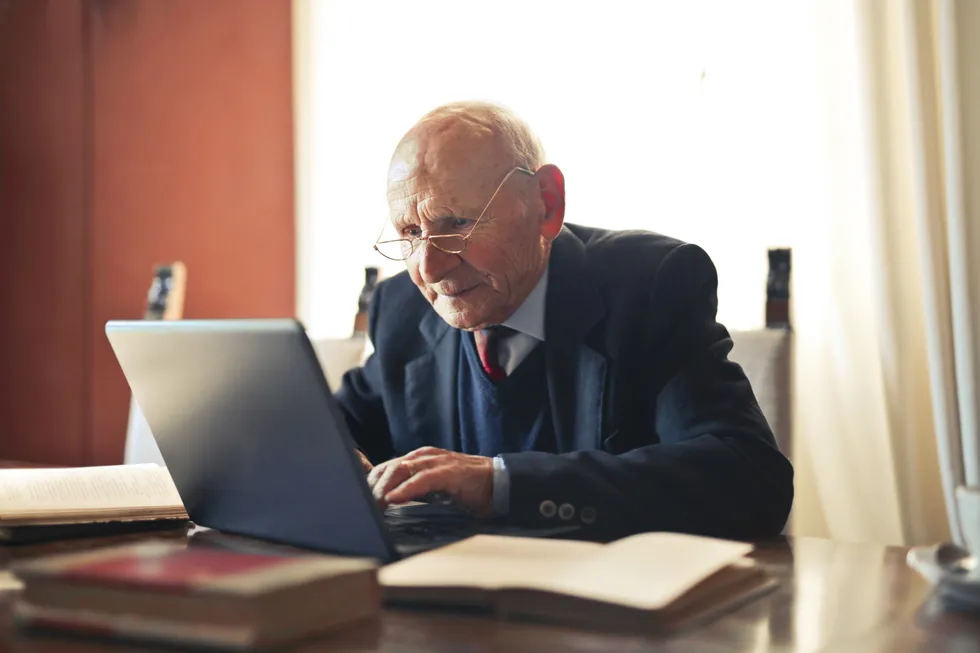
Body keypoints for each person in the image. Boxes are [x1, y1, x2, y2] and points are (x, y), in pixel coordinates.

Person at [335, 101, 793, 542]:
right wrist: (333, 462)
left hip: (605, 592)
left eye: (456, 222)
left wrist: (500, 483)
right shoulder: (403, 309)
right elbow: (334, 429)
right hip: (439, 591)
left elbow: (749, 479)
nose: (429, 268)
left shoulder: (649, 286)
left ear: (547, 204)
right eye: (411, 232)